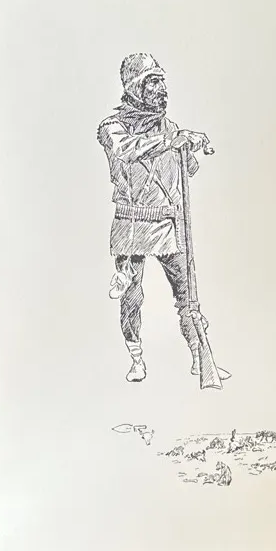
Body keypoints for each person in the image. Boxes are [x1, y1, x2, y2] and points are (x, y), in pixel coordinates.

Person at [98, 52, 227, 383]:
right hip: (131, 224)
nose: (162, 89)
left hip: (169, 224)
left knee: (188, 295)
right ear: (135, 87)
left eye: (161, 81)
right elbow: (127, 149)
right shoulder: (112, 127)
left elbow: (188, 170)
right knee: (131, 297)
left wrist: (190, 147)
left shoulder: (168, 127)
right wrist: (173, 140)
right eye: (153, 82)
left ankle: (200, 357)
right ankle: (136, 358)